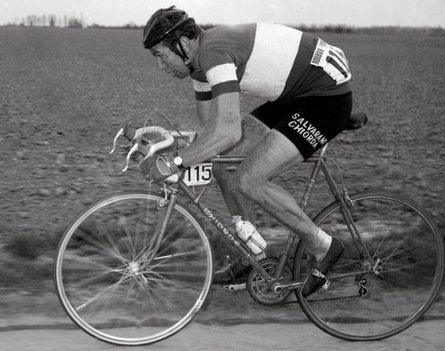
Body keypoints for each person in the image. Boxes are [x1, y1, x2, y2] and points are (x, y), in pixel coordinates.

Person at [139, 6, 352, 297]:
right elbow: (209, 135)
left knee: (250, 179)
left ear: (183, 44)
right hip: (295, 94)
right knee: (218, 159)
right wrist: (166, 142)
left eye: (160, 55)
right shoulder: (198, 67)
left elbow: (228, 132)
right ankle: (256, 254)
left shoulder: (213, 52)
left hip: (324, 100)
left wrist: (175, 163)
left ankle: (324, 246)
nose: (161, 67)